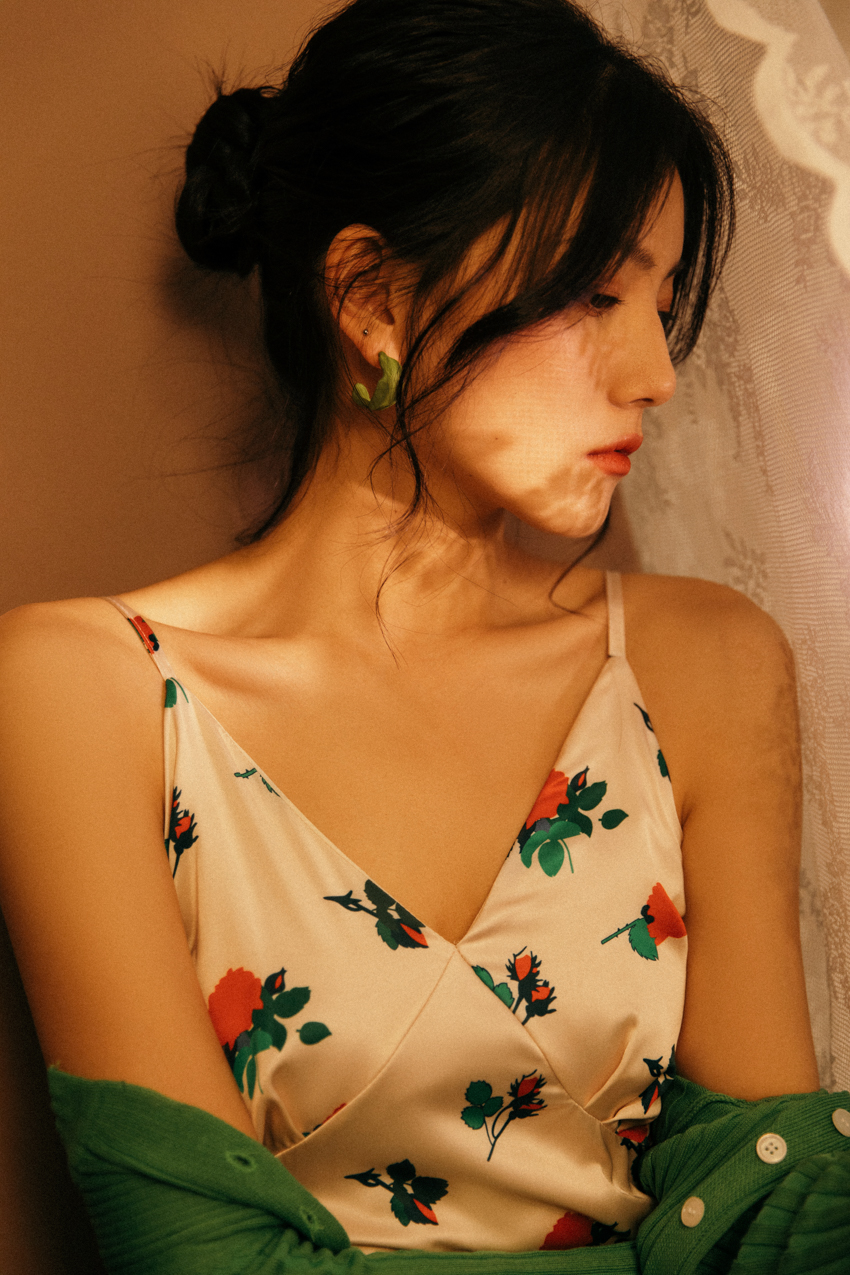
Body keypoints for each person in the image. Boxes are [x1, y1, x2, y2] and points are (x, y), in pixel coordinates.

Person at [0, 0, 847, 1270]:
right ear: (372, 295)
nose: (655, 373)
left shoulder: (701, 663)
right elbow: (198, 1254)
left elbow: (766, 1216)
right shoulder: (83, 692)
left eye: (661, 300)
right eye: (595, 293)